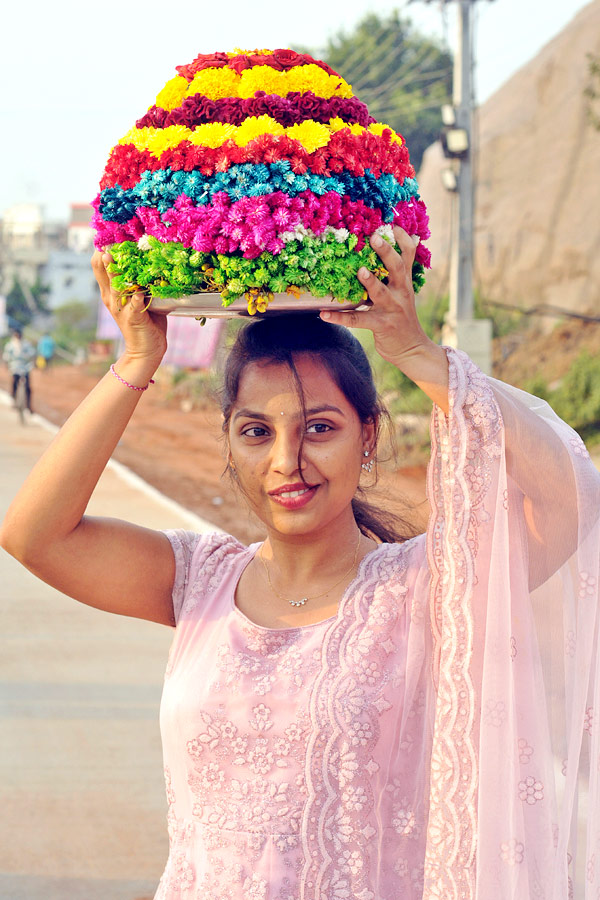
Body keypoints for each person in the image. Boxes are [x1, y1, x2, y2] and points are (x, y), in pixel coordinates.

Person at [1, 227, 599, 900]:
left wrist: (417, 354)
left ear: (367, 436)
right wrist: (137, 360)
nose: (287, 462)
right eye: (257, 432)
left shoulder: (426, 589)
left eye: (319, 428)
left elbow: (567, 498)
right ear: (229, 443)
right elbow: (34, 535)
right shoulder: (199, 580)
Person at [3, 327, 36, 413]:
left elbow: (32, 353)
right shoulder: (10, 345)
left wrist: (33, 360)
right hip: (15, 367)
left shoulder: (26, 344)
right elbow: (6, 356)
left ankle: (29, 405)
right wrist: (6, 364)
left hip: (25, 367)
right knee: (14, 383)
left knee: (28, 387)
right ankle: (14, 398)